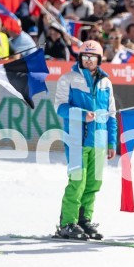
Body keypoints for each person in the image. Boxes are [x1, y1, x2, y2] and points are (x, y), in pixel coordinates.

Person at [53, 41, 117, 240]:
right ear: (80, 58)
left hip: (99, 141)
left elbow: (112, 115)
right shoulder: (68, 79)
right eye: (85, 57)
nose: (88, 61)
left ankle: (84, 220)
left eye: (93, 58)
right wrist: (82, 114)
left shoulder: (106, 82)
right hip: (76, 140)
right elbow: (60, 108)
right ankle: (67, 223)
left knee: (93, 183)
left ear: (99, 59)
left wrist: (111, 143)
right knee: (77, 182)